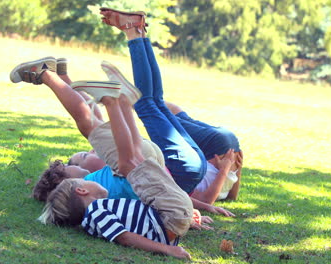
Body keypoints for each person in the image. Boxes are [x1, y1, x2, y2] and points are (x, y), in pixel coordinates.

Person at [10, 55, 194, 259]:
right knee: (92, 128)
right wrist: (169, 248)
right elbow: (124, 237)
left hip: (168, 205)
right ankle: (48, 74)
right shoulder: (96, 206)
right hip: (167, 207)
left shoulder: (102, 203)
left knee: (121, 151)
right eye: (73, 171)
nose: (77, 166)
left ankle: (118, 101)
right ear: (78, 188)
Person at [99, 9, 242, 205]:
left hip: (191, 168)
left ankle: (137, 31)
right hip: (186, 171)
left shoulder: (103, 177)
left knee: (153, 101)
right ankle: (134, 31)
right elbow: (207, 200)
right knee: (149, 103)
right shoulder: (107, 178)